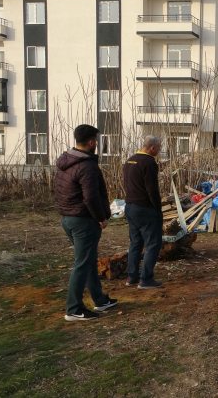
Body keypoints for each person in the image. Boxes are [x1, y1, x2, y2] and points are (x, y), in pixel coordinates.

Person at [56, 124, 117, 321]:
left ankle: (100, 300)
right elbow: (90, 197)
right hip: (84, 221)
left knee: (89, 260)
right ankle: (74, 309)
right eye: (97, 141)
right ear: (91, 142)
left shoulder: (66, 161)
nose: (97, 144)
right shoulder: (86, 165)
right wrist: (101, 218)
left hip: (69, 218)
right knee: (82, 264)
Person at [123, 135, 164, 290]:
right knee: (153, 243)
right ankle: (145, 279)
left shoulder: (130, 160)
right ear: (152, 148)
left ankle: (132, 276)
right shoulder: (149, 162)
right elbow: (152, 190)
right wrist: (158, 209)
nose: (159, 150)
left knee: (135, 243)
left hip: (130, 206)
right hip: (144, 208)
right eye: (159, 148)